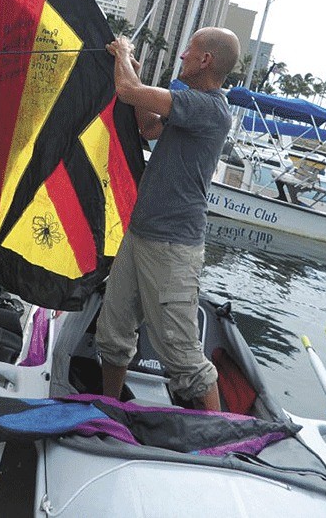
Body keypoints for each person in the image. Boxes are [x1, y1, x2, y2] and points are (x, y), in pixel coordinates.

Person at [95, 27, 240, 411]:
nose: (182, 56)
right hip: (140, 234)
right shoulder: (189, 104)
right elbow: (147, 126)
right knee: (113, 334)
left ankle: (222, 442)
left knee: (181, 355)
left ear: (205, 59)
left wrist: (124, 54)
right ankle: (109, 410)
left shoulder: (209, 108)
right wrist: (133, 73)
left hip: (173, 246)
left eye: (189, 49)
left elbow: (126, 93)